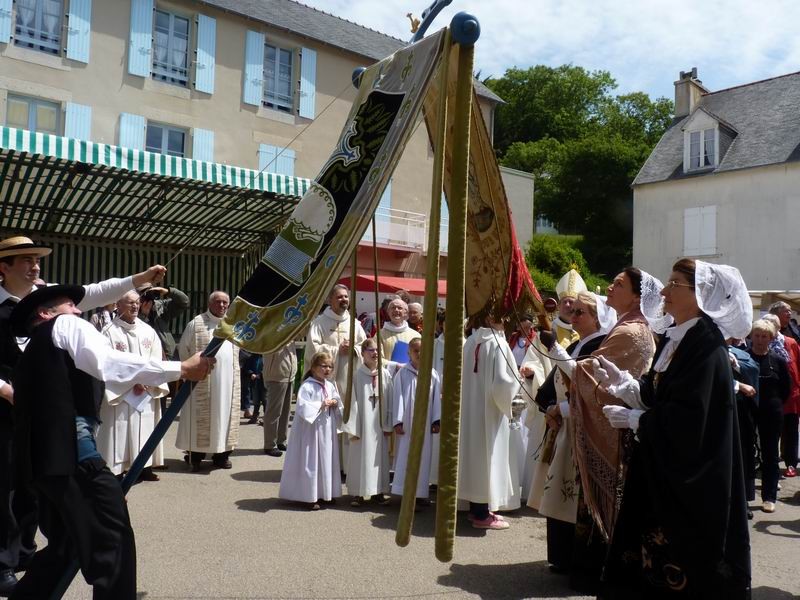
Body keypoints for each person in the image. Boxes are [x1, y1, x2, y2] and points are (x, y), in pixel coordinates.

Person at [8, 284, 211, 599]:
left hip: (40, 462)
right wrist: (180, 368)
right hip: (70, 452)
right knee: (112, 541)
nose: (78, 311)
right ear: (46, 313)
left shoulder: (34, 352)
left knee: (66, 545)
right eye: (69, 305)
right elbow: (108, 362)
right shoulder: (65, 326)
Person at [0, 234, 168, 594]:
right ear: (4, 267)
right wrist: (6, 390)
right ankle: (4, 562)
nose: (35, 266)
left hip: (55, 420)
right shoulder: (52, 314)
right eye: (26, 260)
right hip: (12, 416)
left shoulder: (49, 299)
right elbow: (106, 360)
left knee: (56, 518)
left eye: (37, 260)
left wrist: (138, 279)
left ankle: (29, 559)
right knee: (10, 493)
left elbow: (94, 291)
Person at [597, 259, 752, 598]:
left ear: (699, 295)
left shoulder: (706, 346)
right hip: (661, 469)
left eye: (674, 284)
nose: (664, 292)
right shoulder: (677, 339)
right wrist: (625, 385)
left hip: (691, 481)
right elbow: (660, 394)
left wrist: (639, 420)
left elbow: (690, 419)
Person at [568, 267, 660, 544]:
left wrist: (563, 361)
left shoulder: (631, 331)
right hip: (617, 424)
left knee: (606, 505)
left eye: (618, 284)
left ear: (635, 297)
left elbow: (592, 374)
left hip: (616, 427)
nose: (609, 287)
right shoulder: (629, 325)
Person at [527, 291, 611, 575]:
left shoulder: (601, 344)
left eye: (579, 313)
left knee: (573, 497)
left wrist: (560, 409)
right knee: (559, 495)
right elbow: (554, 382)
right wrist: (549, 404)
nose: (572, 317)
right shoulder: (577, 343)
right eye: (572, 311)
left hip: (582, 429)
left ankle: (574, 558)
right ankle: (560, 556)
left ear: (598, 317)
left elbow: (587, 385)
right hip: (564, 427)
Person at [96, 291, 169, 482]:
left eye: (137, 303)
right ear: (118, 305)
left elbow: (155, 358)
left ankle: (143, 467)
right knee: (118, 433)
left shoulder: (148, 331)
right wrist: (132, 381)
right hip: (121, 393)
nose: (135, 306)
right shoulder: (109, 331)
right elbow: (108, 363)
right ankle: (117, 471)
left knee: (146, 428)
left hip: (145, 390)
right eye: (129, 303)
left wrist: (147, 380)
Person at [457, 313, 521, 529]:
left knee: (475, 458)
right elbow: (503, 382)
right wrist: (517, 385)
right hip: (490, 413)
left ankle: (478, 508)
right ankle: (483, 515)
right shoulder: (498, 343)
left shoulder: (471, 342)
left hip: (470, 411)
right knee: (488, 457)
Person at [176, 291, 240, 472]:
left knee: (225, 416)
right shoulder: (196, 323)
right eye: (218, 302)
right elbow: (184, 349)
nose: (222, 306)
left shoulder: (232, 324)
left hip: (228, 382)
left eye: (225, 303)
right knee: (200, 419)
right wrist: (191, 370)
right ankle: (195, 456)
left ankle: (222, 456)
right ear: (210, 303)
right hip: (202, 381)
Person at [278, 351, 343, 510]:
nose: (327, 369)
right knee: (312, 459)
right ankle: (308, 496)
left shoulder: (329, 384)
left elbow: (337, 400)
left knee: (326, 459)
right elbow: (302, 406)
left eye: (330, 366)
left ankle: (325, 493)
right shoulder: (307, 386)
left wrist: (335, 402)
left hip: (326, 429)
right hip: (311, 432)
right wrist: (320, 404)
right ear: (313, 368)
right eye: (323, 366)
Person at [342, 338, 393, 506]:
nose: (375, 353)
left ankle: (378, 491)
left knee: (379, 458)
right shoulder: (357, 375)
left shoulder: (384, 374)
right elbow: (352, 402)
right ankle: (357, 493)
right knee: (360, 457)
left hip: (379, 426)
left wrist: (388, 424)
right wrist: (353, 428)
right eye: (371, 350)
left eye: (377, 350)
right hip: (362, 426)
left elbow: (390, 399)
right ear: (363, 353)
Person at [391, 338, 440, 506]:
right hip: (407, 425)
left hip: (425, 425)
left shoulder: (432, 374)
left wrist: (436, 420)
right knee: (405, 456)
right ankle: (404, 493)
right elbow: (397, 396)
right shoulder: (402, 374)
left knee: (424, 457)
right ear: (409, 353)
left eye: (422, 350)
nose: (419, 354)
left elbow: (436, 400)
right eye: (415, 351)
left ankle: (420, 494)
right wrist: (397, 422)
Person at [748, 319, 790, 513]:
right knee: (746, 453)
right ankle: (746, 495)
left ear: (771, 338)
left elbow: (785, 390)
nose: (759, 339)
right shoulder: (743, 357)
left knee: (770, 455)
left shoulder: (778, 360)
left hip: (771, 413)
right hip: (747, 411)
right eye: (757, 335)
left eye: (764, 336)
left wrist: (773, 403)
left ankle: (769, 497)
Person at [305, 284, 366, 395]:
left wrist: (353, 350)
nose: (344, 300)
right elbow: (312, 349)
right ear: (330, 300)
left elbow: (364, 347)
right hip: (327, 378)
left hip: (350, 378)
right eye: (339, 297)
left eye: (346, 297)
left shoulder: (355, 324)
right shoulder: (318, 323)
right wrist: (338, 350)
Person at [763, 312, 800, 478]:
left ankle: (791, 463)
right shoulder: (760, 343)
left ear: (778, 327)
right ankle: (770, 463)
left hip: (792, 395)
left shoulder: (790, 342)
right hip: (771, 396)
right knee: (772, 433)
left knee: (791, 431)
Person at [262, 341, 297, 457]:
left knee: (286, 411)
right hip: (276, 373)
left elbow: (301, 333)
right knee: (274, 412)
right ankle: (270, 444)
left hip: (289, 374)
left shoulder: (289, 324)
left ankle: (281, 440)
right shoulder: (270, 324)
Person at [136, 284, 189, 360]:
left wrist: (169, 292)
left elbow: (184, 302)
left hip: (168, 357)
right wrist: (143, 316)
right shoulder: (132, 310)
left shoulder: (159, 307)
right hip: (148, 358)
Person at [380, 298, 421, 366]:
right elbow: (376, 358)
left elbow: (421, 358)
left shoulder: (416, 335)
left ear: (405, 312)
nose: (396, 310)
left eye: (399, 308)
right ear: (388, 312)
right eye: (393, 308)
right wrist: (395, 366)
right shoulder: (380, 334)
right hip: (387, 375)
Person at [552, 269, 587, 347]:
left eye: (571, 302)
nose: (567, 305)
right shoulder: (550, 329)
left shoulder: (583, 330)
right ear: (558, 306)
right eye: (564, 302)